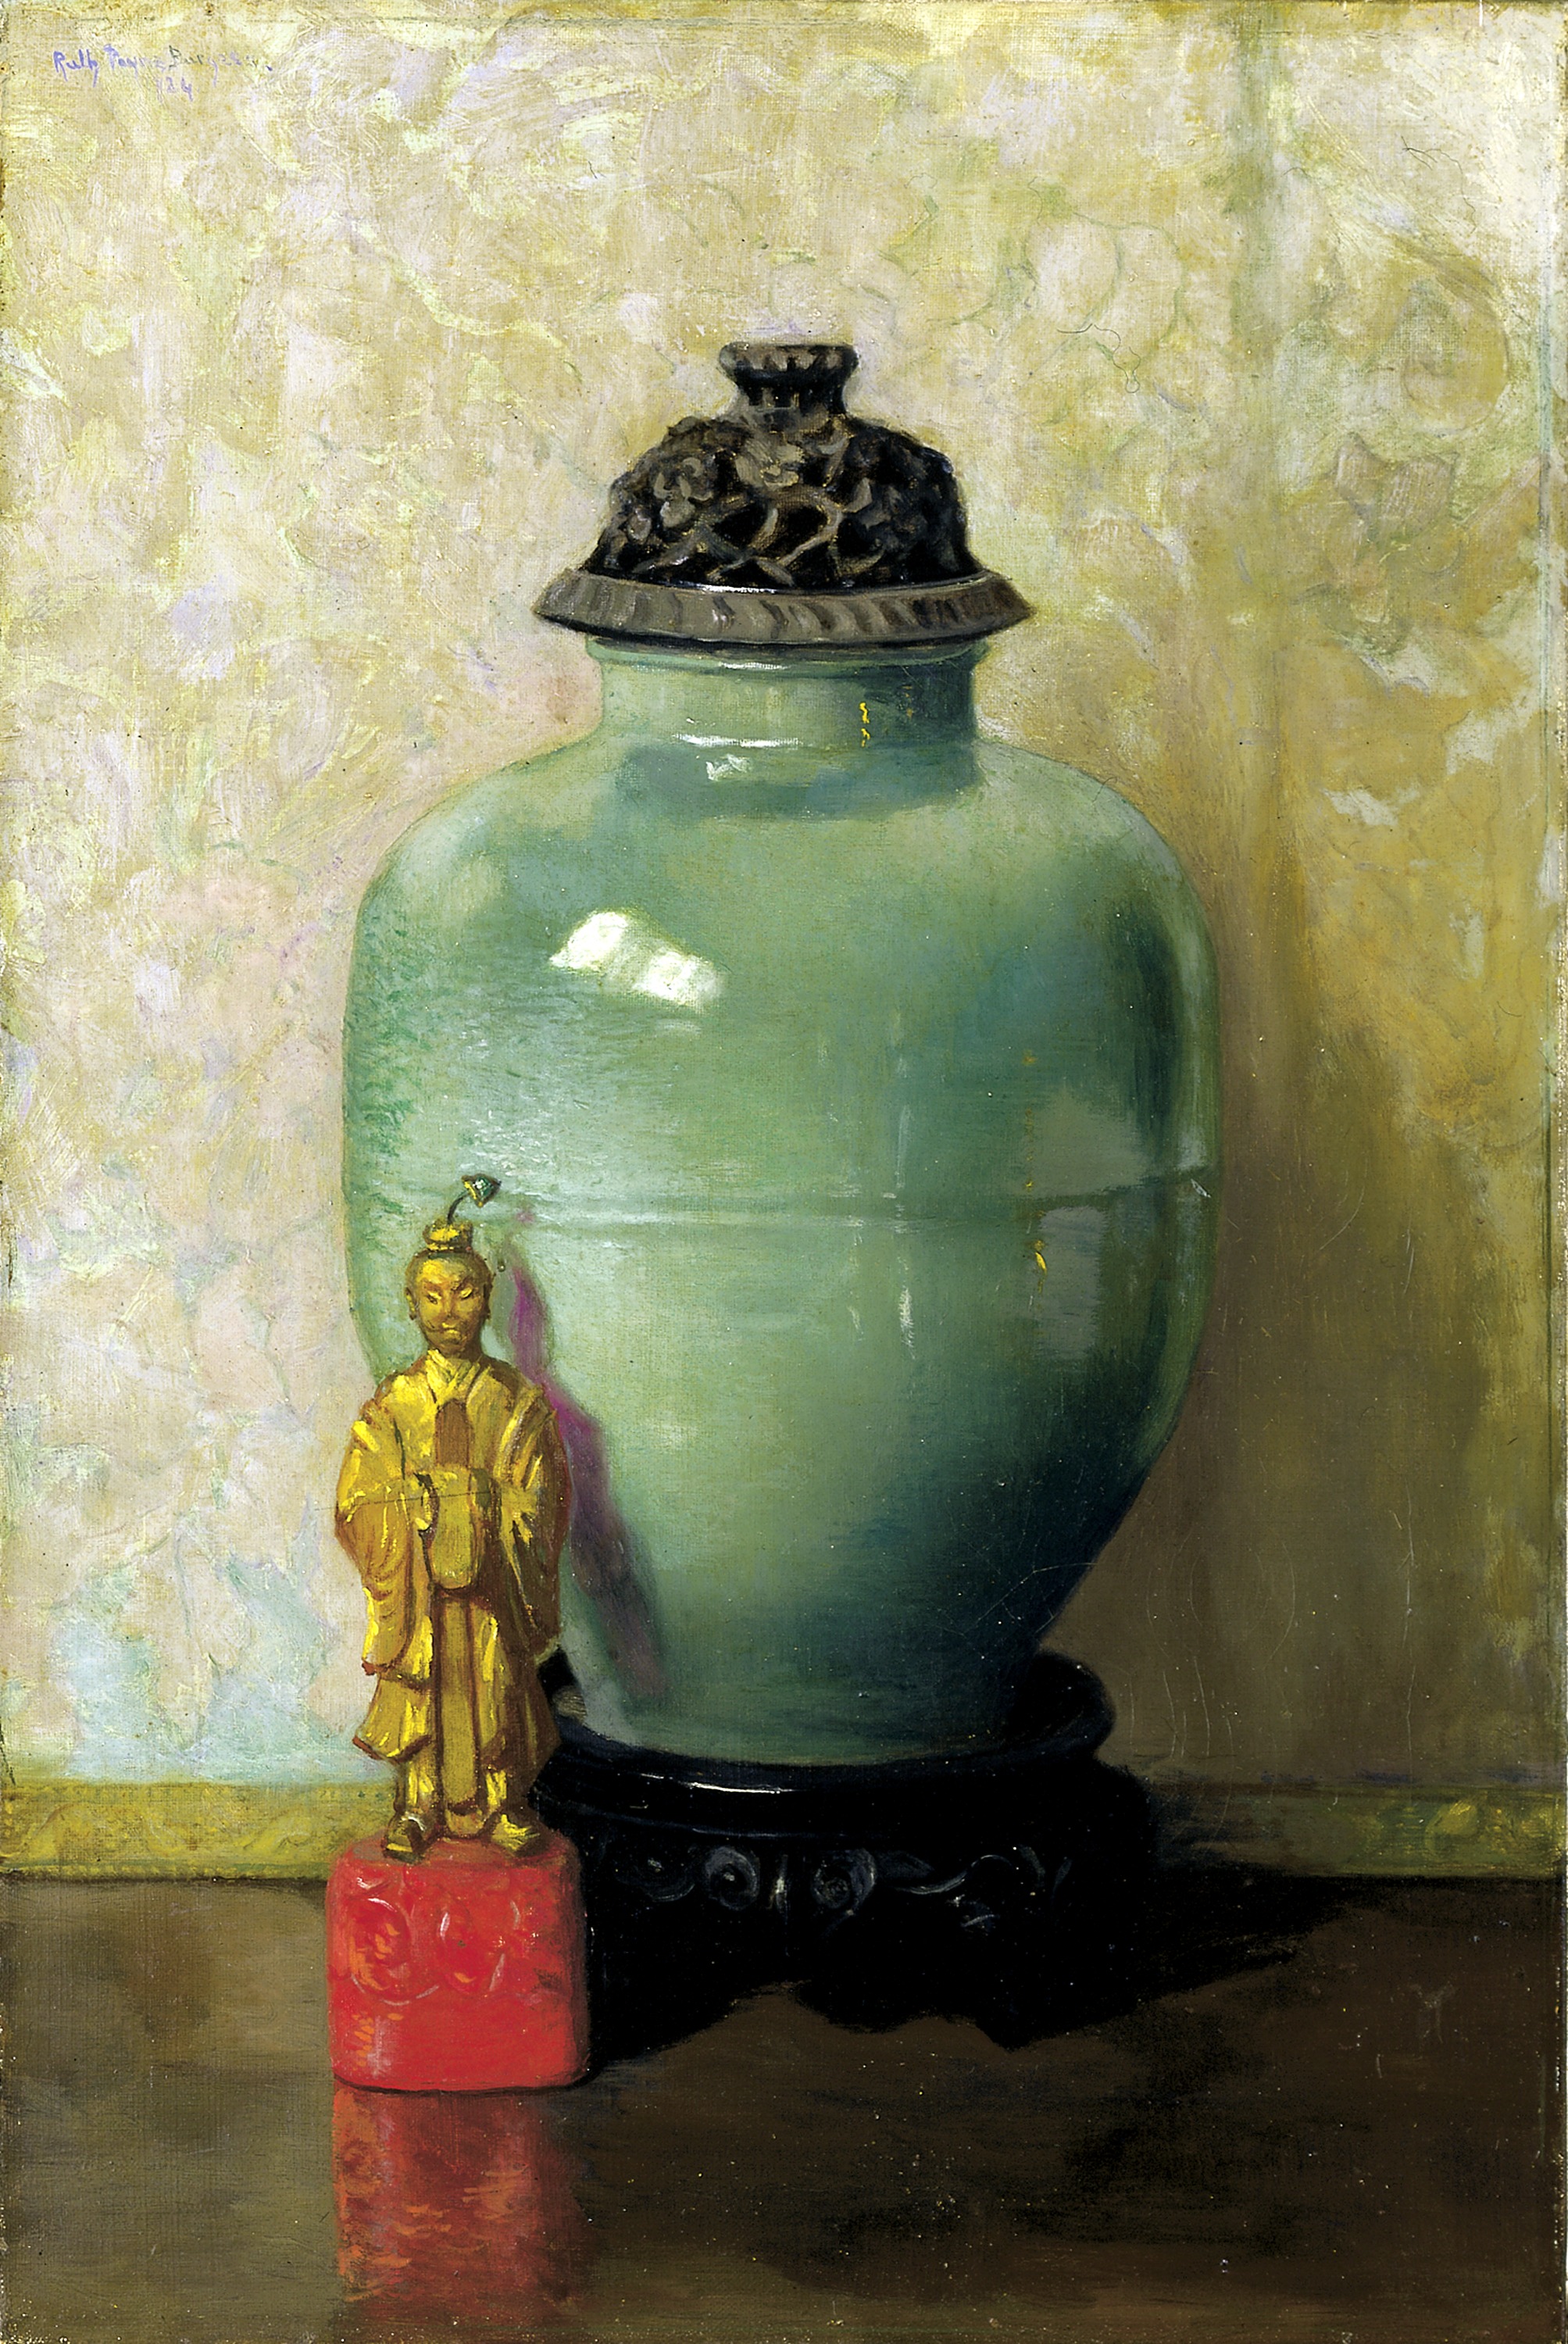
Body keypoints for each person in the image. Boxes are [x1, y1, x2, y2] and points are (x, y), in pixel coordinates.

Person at [335, 1195, 572, 1860]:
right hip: (423, 1590)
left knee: (496, 1683)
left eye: (464, 1294)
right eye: (432, 1297)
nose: (448, 1312)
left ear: (486, 1300)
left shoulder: (515, 1402)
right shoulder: (394, 1404)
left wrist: (484, 1504)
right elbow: (357, 1503)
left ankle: (502, 1802)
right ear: (411, 1306)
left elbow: (542, 1501)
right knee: (422, 1683)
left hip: (491, 1585)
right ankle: (418, 1804)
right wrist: (415, 1504)